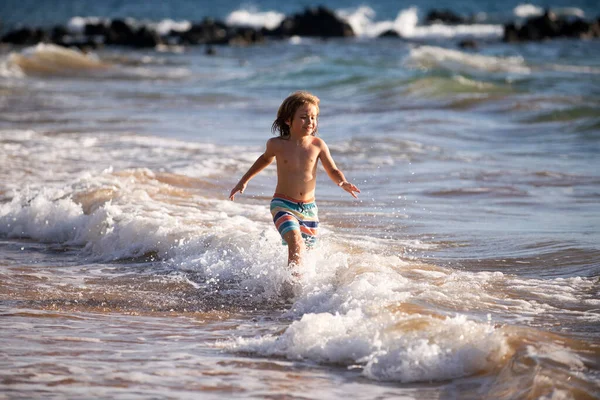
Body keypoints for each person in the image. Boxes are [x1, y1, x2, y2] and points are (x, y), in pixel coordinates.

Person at [229, 91, 360, 273]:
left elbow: (333, 169)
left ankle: (295, 282)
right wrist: (243, 181)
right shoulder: (276, 144)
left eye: (313, 118)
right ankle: (292, 288)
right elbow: (264, 159)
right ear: (288, 120)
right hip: (282, 204)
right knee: (296, 242)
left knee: (305, 252)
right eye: (304, 117)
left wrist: (342, 182)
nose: (310, 122)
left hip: (309, 209)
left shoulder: (318, 145)